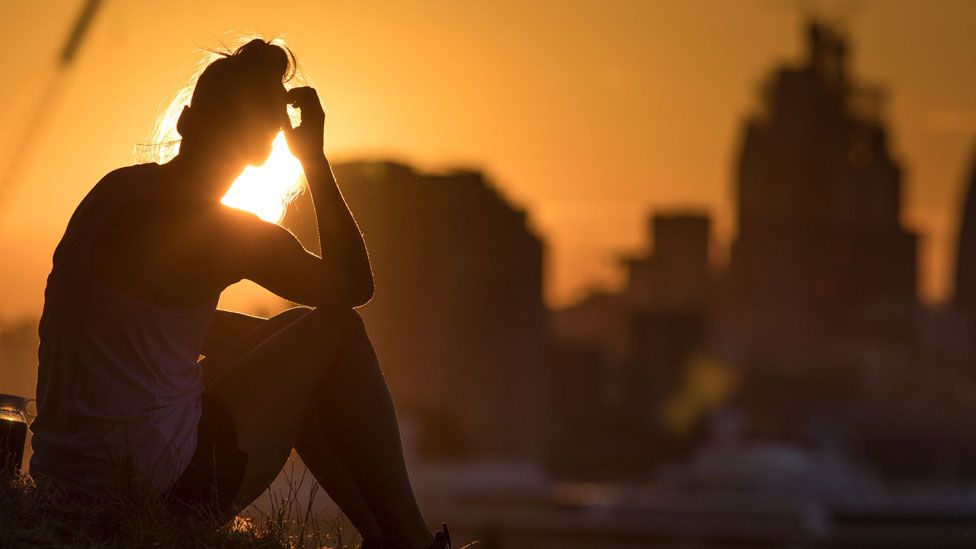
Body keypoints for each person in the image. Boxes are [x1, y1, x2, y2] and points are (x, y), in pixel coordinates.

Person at [29, 38, 450, 549]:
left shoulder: (115, 190)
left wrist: (274, 342)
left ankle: (387, 541)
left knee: (297, 339)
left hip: (65, 482)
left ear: (185, 120)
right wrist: (315, 161)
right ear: (265, 148)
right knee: (337, 332)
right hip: (157, 494)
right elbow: (353, 288)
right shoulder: (221, 231)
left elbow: (133, 329)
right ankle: (408, 539)